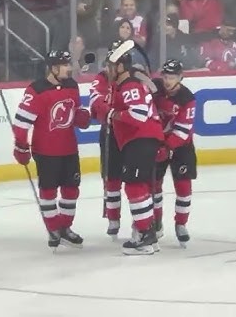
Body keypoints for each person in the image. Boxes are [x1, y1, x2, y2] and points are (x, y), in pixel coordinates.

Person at [12, 50, 92, 249]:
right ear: (54, 68)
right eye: (65, 65)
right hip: (46, 151)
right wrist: (21, 146)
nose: (70, 68)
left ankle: (65, 227)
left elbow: (75, 112)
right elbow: (21, 124)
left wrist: (82, 116)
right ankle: (54, 228)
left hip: (69, 149)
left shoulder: (72, 85)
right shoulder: (36, 90)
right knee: (48, 191)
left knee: (71, 190)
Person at [104, 40, 164, 255]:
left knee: (134, 186)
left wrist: (112, 114)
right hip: (142, 140)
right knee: (139, 187)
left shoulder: (129, 86)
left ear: (120, 67)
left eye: (111, 66)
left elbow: (138, 115)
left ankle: (146, 236)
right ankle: (148, 233)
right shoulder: (124, 85)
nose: (107, 71)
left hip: (141, 139)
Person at [151, 59, 196, 247]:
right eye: (166, 76)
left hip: (181, 147)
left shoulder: (188, 98)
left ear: (180, 77)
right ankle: (157, 222)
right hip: (158, 144)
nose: (168, 80)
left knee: (184, 188)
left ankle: (181, 224)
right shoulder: (156, 90)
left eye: (172, 77)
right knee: (154, 186)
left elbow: (182, 130)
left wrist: (167, 147)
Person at [89, 46, 123, 238]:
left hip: (131, 135)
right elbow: (95, 100)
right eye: (109, 65)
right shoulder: (101, 79)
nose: (110, 69)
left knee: (136, 180)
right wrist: (111, 113)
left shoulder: (131, 79)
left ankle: (141, 219)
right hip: (110, 133)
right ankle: (113, 217)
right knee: (111, 179)